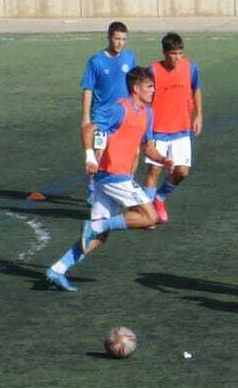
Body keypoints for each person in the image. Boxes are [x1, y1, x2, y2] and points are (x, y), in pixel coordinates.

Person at [46, 67, 172, 292]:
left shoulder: (147, 113)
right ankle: (96, 225)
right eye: (149, 86)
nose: (154, 90)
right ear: (136, 88)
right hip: (115, 175)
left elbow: (148, 147)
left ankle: (57, 269)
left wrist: (163, 159)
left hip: (114, 178)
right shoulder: (119, 110)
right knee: (150, 218)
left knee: (99, 237)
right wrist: (89, 156)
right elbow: (88, 129)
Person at [143, 32, 202, 223]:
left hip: (181, 130)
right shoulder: (152, 71)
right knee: (154, 172)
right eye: (173, 54)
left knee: (182, 171)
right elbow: (144, 99)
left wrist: (198, 115)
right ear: (164, 52)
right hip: (158, 131)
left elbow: (196, 89)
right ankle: (146, 212)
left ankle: (159, 198)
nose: (177, 58)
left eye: (180, 53)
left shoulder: (190, 68)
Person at [80, 21, 137, 203]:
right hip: (102, 116)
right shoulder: (96, 61)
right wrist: (86, 117)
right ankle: (92, 188)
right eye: (117, 39)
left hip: (124, 115)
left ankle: (126, 184)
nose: (120, 43)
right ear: (109, 37)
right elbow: (88, 88)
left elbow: (135, 85)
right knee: (99, 154)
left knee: (132, 153)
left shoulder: (129, 59)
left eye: (123, 39)